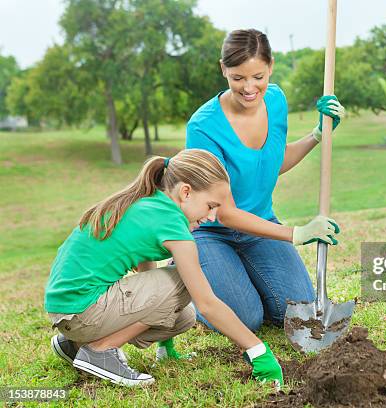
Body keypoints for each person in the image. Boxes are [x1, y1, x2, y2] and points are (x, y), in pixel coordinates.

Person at [44, 149, 283, 388]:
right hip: (85, 312)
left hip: (68, 313)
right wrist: (258, 350)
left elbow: (146, 273)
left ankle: (72, 345)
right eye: (211, 206)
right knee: (182, 280)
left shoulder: (149, 204)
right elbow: (207, 304)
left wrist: (165, 344)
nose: (212, 217)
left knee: (184, 318)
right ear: (186, 192)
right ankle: (100, 351)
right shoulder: (171, 223)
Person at [186, 29, 345, 332]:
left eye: (258, 76)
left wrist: (317, 135)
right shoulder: (204, 127)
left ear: (271, 65)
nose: (249, 88)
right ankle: (197, 288)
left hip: (260, 227)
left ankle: (233, 279)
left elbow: (271, 163)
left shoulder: (276, 101)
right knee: (247, 319)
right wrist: (296, 233)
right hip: (211, 232)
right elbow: (224, 211)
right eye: (237, 78)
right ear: (223, 70)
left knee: (297, 308)